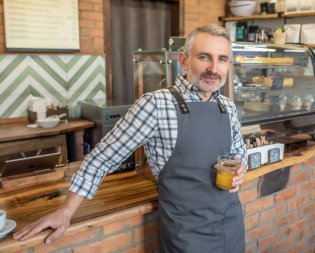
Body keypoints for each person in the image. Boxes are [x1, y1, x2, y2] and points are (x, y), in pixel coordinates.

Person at [13, 24, 248, 253]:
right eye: (204, 57)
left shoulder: (226, 106)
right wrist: (66, 211)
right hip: (186, 234)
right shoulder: (156, 104)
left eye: (223, 59)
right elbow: (102, 158)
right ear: (184, 61)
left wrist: (240, 170)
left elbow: (239, 152)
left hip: (231, 226)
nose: (214, 68)